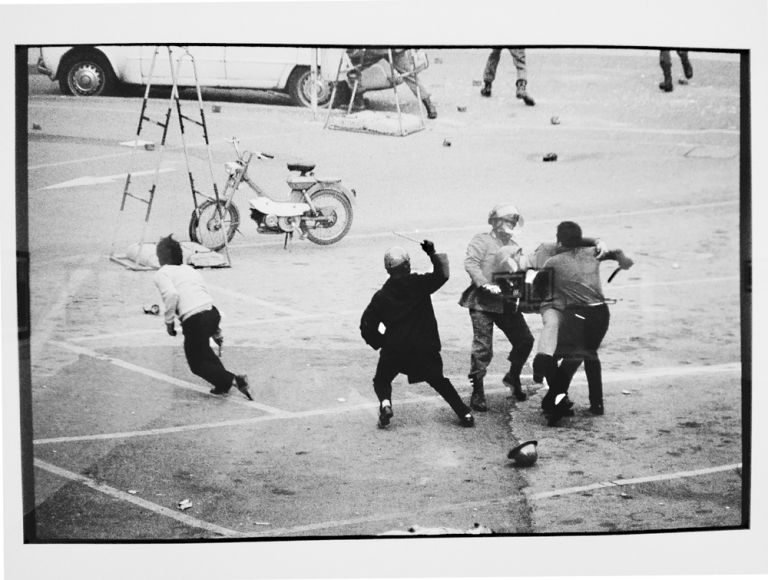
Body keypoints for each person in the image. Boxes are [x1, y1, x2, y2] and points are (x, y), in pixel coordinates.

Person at [360, 241, 474, 428]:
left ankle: (386, 404)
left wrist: (381, 341)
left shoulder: (381, 296)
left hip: (395, 349)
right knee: (439, 381)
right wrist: (432, 252)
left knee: (382, 380)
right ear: (407, 265)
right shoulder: (419, 284)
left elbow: (366, 325)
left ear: (388, 270)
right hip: (423, 347)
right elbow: (442, 274)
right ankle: (464, 413)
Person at [534, 222, 633, 426]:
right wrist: (619, 257)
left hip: (578, 316)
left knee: (561, 356)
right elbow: (621, 257)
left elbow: (537, 285)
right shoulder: (593, 253)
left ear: (559, 239)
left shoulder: (553, 261)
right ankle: (596, 404)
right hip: (601, 315)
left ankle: (554, 401)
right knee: (589, 354)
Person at [153, 234, 252, 400]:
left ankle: (233, 379)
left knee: (196, 363)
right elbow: (202, 293)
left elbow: (171, 295)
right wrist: (216, 329)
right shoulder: (189, 269)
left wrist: (169, 323)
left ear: (161, 258)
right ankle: (222, 384)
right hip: (212, 312)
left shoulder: (162, 273)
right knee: (204, 350)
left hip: (194, 319)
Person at [459, 204, 534, 412]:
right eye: (507, 221)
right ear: (496, 222)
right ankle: (478, 390)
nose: (510, 225)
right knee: (483, 348)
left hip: (505, 302)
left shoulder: (514, 245)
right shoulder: (481, 241)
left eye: (512, 222)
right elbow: (471, 263)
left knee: (525, 340)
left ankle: (513, 376)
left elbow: (518, 272)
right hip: (482, 303)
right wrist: (484, 283)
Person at [346, 48, 437, 119]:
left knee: (356, 70)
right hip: (388, 49)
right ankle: (429, 106)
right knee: (410, 76)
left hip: (377, 50)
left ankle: (358, 100)